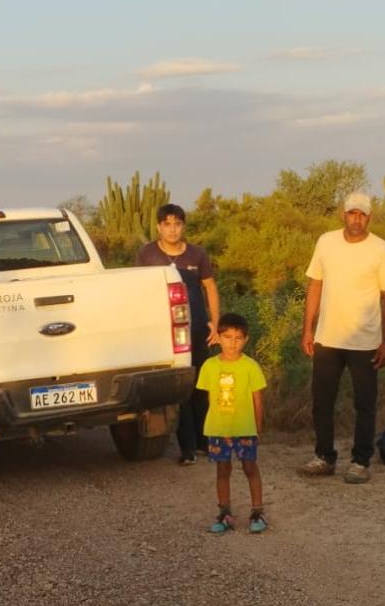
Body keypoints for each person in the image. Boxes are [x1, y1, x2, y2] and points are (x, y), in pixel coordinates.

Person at [299, 191, 385, 484]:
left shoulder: (380, 249)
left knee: (365, 403)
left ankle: (360, 460)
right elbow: (315, 284)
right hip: (328, 337)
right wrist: (308, 328)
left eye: (362, 214)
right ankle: (324, 456)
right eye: (351, 213)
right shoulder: (326, 242)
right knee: (322, 401)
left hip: (365, 340)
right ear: (343, 214)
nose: (356, 219)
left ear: (370, 217)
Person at [136, 203, 221, 465]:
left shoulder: (197, 254)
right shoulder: (147, 255)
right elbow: (141, 292)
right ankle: (188, 449)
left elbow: (209, 287)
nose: (172, 229)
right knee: (180, 388)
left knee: (200, 386)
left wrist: (215, 324)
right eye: (167, 224)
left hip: (196, 330)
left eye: (177, 224)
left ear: (183, 226)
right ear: (159, 227)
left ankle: (205, 441)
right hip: (166, 334)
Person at [199, 313, 268, 534]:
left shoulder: (250, 366)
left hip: (245, 427)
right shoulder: (209, 366)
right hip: (219, 428)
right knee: (222, 469)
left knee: (250, 467)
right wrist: (216, 424)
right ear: (218, 337)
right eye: (228, 337)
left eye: (238, 338)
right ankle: (225, 512)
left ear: (246, 339)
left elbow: (258, 398)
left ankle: (257, 512)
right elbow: (210, 398)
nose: (233, 342)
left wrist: (258, 426)